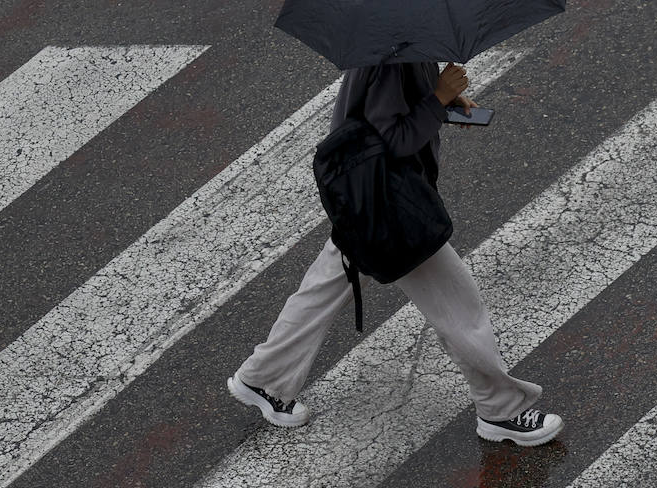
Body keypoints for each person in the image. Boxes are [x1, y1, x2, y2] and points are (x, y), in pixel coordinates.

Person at [226, 59, 562, 447]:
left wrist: (445, 102)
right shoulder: (391, 57)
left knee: (324, 288)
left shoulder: (396, 43)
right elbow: (394, 138)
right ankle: (502, 409)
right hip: (391, 207)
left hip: (365, 201)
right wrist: (438, 98)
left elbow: (384, 116)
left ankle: (263, 377)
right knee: (458, 305)